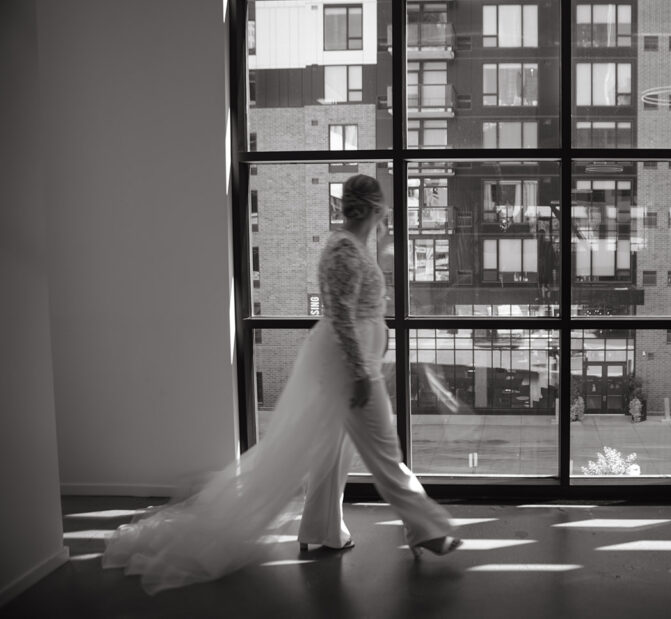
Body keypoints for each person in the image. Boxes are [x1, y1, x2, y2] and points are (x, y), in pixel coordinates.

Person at [103, 174, 460, 594]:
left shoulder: (353, 246)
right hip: (351, 366)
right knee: (385, 451)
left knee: (334, 451)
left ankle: (321, 529)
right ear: (372, 208)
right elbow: (341, 315)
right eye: (382, 206)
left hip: (353, 361)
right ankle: (428, 528)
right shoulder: (343, 250)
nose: (386, 214)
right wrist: (362, 372)